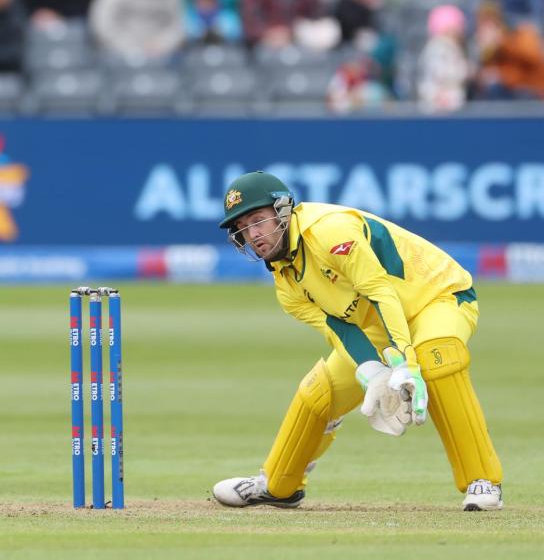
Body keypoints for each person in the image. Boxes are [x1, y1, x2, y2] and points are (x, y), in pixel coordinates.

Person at [212, 170, 504, 511]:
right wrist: (373, 373)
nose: (253, 234)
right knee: (319, 393)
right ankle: (278, 486)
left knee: (437, 358)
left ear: (282, 210)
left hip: (436, 297)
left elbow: (380, 291)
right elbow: (340, 328)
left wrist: (406, 363)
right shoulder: (286, 285)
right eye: (243, 228)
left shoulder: (329, 231)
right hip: (375, 326)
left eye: (258, 220)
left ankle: (482, 481)